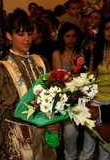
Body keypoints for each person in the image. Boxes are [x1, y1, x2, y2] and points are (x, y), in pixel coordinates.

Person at [0, 13, 59, 159]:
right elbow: (3, 107)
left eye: (29, 33)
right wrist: (38, 116)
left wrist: (55, 119)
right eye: (20, 34)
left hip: (44, 132)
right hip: (18, 135)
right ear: (9, 35)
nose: (26, 38)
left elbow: (53, 94)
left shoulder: (41, 61)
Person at [52, 22, 84, 160]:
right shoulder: (57, 54)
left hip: (81, 96)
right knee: (69, 134)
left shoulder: (81, 53)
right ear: (62, 37)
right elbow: (60, 78)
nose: (71, 39)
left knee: (79, 134)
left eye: (73, 36)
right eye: (67, 36)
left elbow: (87, 76)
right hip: (65, 98)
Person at [79, 17, 110, 159]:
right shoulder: (98, 51)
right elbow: (90, 78)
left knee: (106, 144)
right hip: (97, 99)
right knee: (89, 139)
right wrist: (88, 101)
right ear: (103, 31)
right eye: (108, 29)